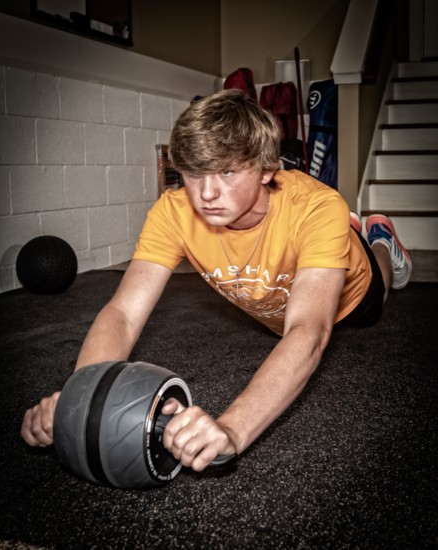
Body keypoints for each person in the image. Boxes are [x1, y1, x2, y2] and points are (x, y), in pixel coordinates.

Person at [21, 89, 412, 471]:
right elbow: (123, 312)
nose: (207, 193)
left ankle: (378, 240)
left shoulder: (317, 207)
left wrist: (231, 429)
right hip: (276, 304)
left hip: (352, 297)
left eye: (227, 171)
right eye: (193, 173)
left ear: (267, 168)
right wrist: (79, 398)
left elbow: (308, 330)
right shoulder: (173, 213)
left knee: (378, 302)